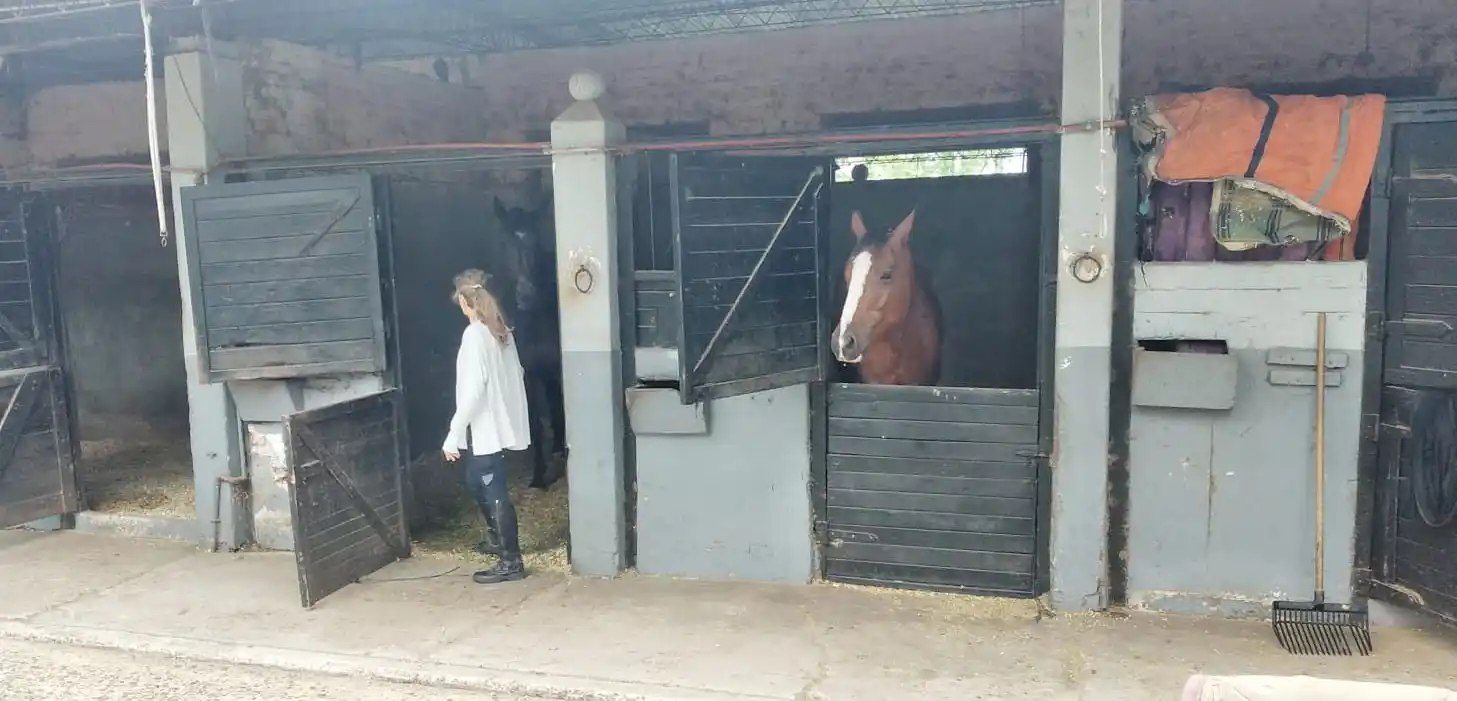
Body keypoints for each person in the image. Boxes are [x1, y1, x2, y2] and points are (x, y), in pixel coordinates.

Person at [442, 269, 533, 584]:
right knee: (475, 480)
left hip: (487, 425)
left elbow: (472, 390)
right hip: (499, 421)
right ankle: (498, 541)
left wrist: (454, 434)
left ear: (469, 302)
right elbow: (517, 374)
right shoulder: (501, 331)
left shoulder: (475, 335)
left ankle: (511, 561)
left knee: (491, 487)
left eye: (461, 303)